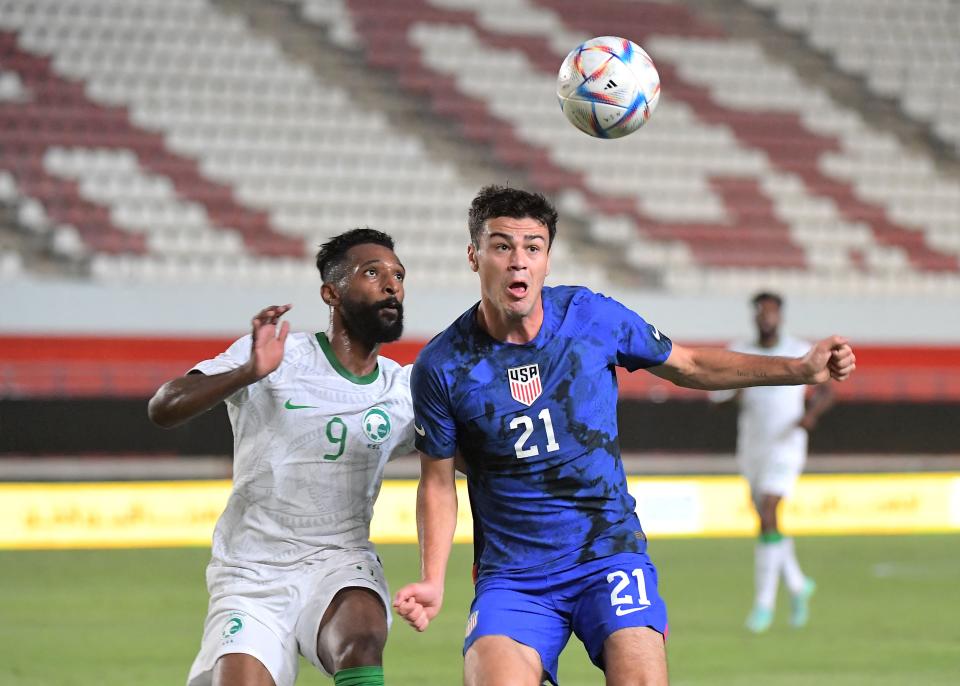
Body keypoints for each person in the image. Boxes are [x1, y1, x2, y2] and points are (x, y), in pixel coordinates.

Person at [392, 185, 856, 686]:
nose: (518, 262)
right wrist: (433, 580)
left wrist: (800, 369)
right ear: (473, 256)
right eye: (502, 246)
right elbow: (437, 481)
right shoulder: (442, 365)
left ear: (548, 259)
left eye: (533, 247)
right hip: (515, 575)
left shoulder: (591, 317)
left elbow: (691, 365)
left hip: (608, 553)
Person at [148, 228, 415, 686]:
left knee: (363, 637)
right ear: (331, 293)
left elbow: (465, 455)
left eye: (398, 275)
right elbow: (164, 408)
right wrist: (247, 372)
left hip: (339, 559)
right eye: (372, 273)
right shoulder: (280, 357)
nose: (391, 284)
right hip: (252, 570)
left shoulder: (402, 388)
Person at [709, 292, 835, 634]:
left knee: (768, 510)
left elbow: (828, 388)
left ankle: (763, 605)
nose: (767, 318)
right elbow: (715, 399)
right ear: (754, 317)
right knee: (766, 521)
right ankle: (797, 584)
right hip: (753, 446)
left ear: (780, 315)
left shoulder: (799, 349)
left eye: (772, 312)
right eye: (761, 312)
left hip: (786, 444)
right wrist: (737, 390)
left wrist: (810, 416)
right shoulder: (739, 350)